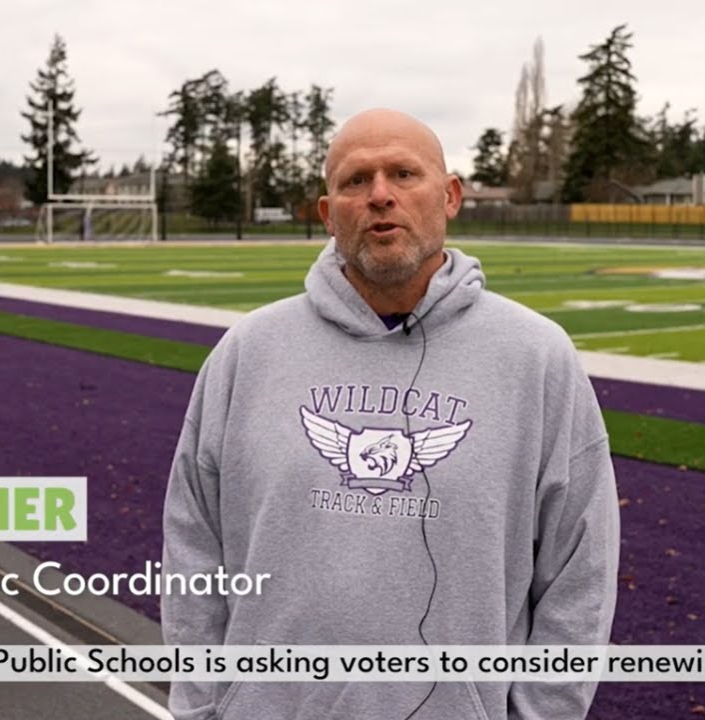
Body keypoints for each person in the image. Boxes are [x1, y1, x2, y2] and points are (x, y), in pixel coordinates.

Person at [161, 108, 620, 719]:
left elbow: (579, 565)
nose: (380, 195)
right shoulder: (249, 353)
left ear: (450, 195)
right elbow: (193, 545)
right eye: (355, 180)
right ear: (328, 214)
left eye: (404, 173)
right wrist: (199, 705)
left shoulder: (535, 358)